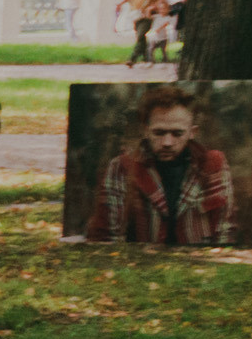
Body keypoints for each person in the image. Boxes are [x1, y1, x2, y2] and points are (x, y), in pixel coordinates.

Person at [81, 84, 233, 245]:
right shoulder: (122, 167)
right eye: (159, 133)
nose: (167, 142)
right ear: (146, 131)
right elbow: (106, 236)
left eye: (177, 133)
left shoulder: (213, 164)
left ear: (192, 133)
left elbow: (224, 231)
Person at [124, 0, 168, 67]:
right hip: (138, 9)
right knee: (139, 33)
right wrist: (122, 2)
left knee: (141, 33)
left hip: (151, 11)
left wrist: (154, 6)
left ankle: (132, 58)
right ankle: (146, 57)